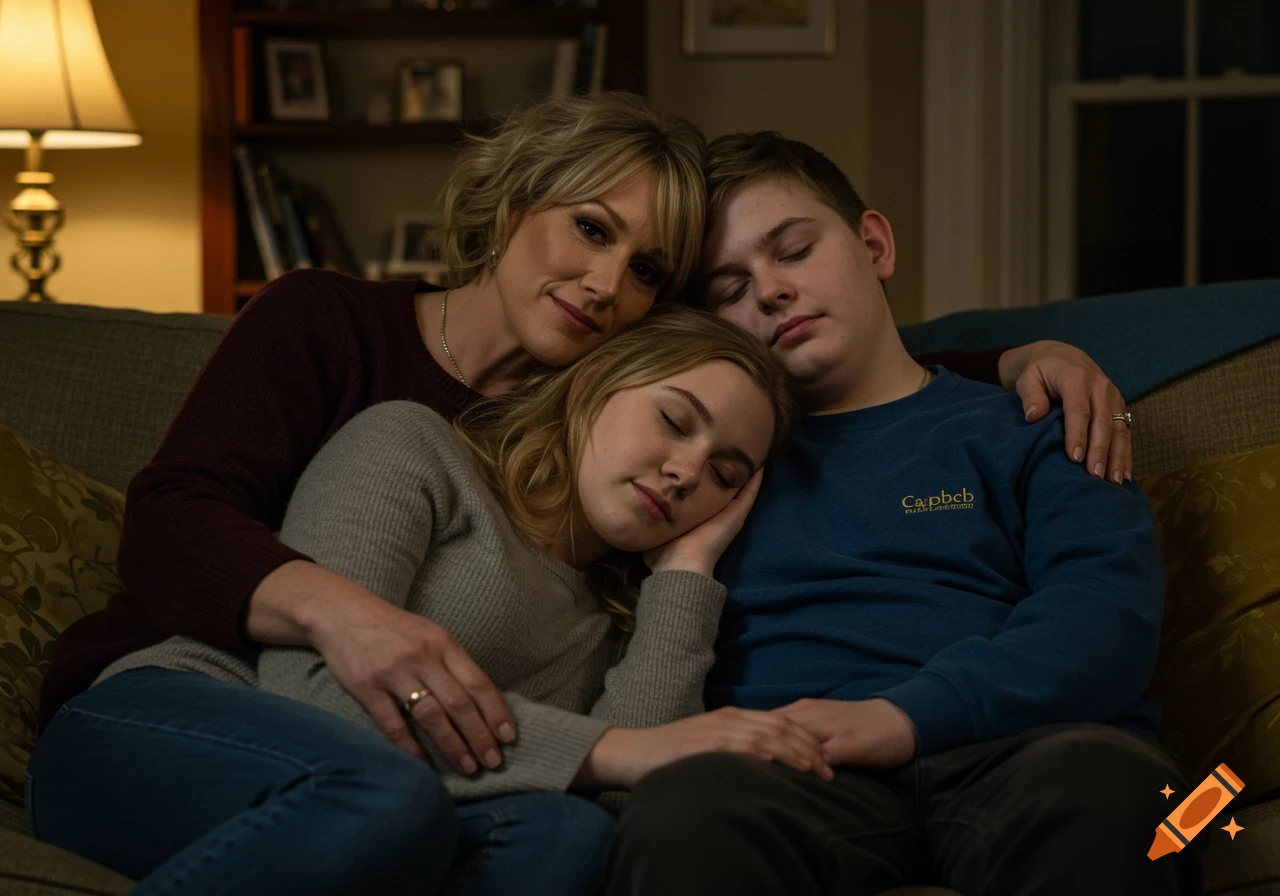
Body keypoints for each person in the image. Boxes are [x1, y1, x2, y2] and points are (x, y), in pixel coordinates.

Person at [30, 91, 1124, 890]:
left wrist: (1018, 358)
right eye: (591, 229)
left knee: (566, 841)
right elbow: (176, 522)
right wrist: (342, 609)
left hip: (427, 774)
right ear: (511, 203)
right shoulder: (376, 391)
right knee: (391, 793)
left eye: (647, 271)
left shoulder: (623, 512)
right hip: (210, 702)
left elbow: (810, 369)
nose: (607, 283)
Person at [32, 305, 827, 894]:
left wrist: (686, 573)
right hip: (157, 733)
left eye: (725, 474)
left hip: (383, 813)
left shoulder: (624, 615)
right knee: (386, 793)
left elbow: (623, 793)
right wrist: (610, 747)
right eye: (674, 421)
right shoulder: (414, 447)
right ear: (594, 383)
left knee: (568, 832)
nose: (688, 471)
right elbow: (318, 700)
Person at [605, 133, 1200, 895]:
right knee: (681, 813)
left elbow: (1103, 619)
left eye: (793, 250)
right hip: (791, 767)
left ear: (875, 244)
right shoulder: (704, 470)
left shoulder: (1035, 422)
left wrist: (902, 717)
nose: (770, 291)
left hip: (1027, 751)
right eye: (728, 289)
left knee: (1124, 797)